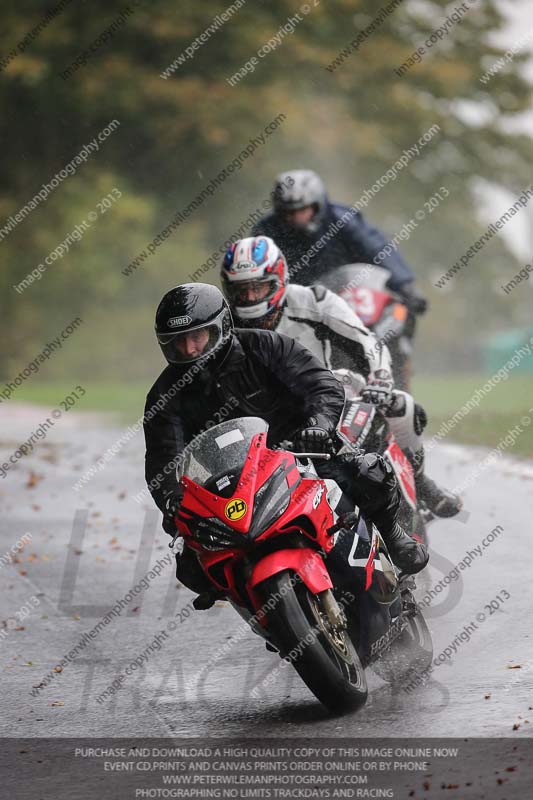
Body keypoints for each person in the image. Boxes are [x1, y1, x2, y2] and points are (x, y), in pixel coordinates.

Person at [143, 283, 428, 603]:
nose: (190, 349)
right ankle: (256, 603)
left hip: (303, 450)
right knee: (190, 563)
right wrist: (173, 502)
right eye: (178, 343)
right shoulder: (164, 396)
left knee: (366, 471)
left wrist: (319, 426)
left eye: (198, 337)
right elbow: (163, 460)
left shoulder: (264, 346)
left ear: (220, 327)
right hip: (234, 484)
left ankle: (392, 534)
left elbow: (321, 385)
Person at [220, 236, 461, 518]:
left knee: (401, 405)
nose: (251, 298)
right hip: (257, 419)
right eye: (242, 290)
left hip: (327, 396)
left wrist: (381, 380)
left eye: (258, 287)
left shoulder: (314, 300)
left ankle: (421, 484)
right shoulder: (222, 323)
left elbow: (366, 341)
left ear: (278, 280)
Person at [251, 168, 427, 312]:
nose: (295, 217)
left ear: (317, 205)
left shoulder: (343, 220)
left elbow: (376, 247)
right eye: (288, 212)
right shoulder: (266, 231)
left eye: (302, 210)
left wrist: (405, 286)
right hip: (298, 310)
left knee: (391, 320)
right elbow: (255, 270)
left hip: (353, 301)